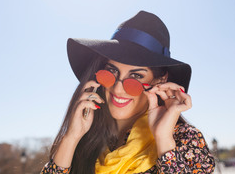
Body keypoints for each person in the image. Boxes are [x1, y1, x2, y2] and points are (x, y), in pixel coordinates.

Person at [41, 11, 215, 174]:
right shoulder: (86, 139)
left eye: (136, 76)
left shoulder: (184, 139)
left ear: (160, 81)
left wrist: (163, 139)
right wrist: (71, 138)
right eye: (111, 72)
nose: (117, 88)